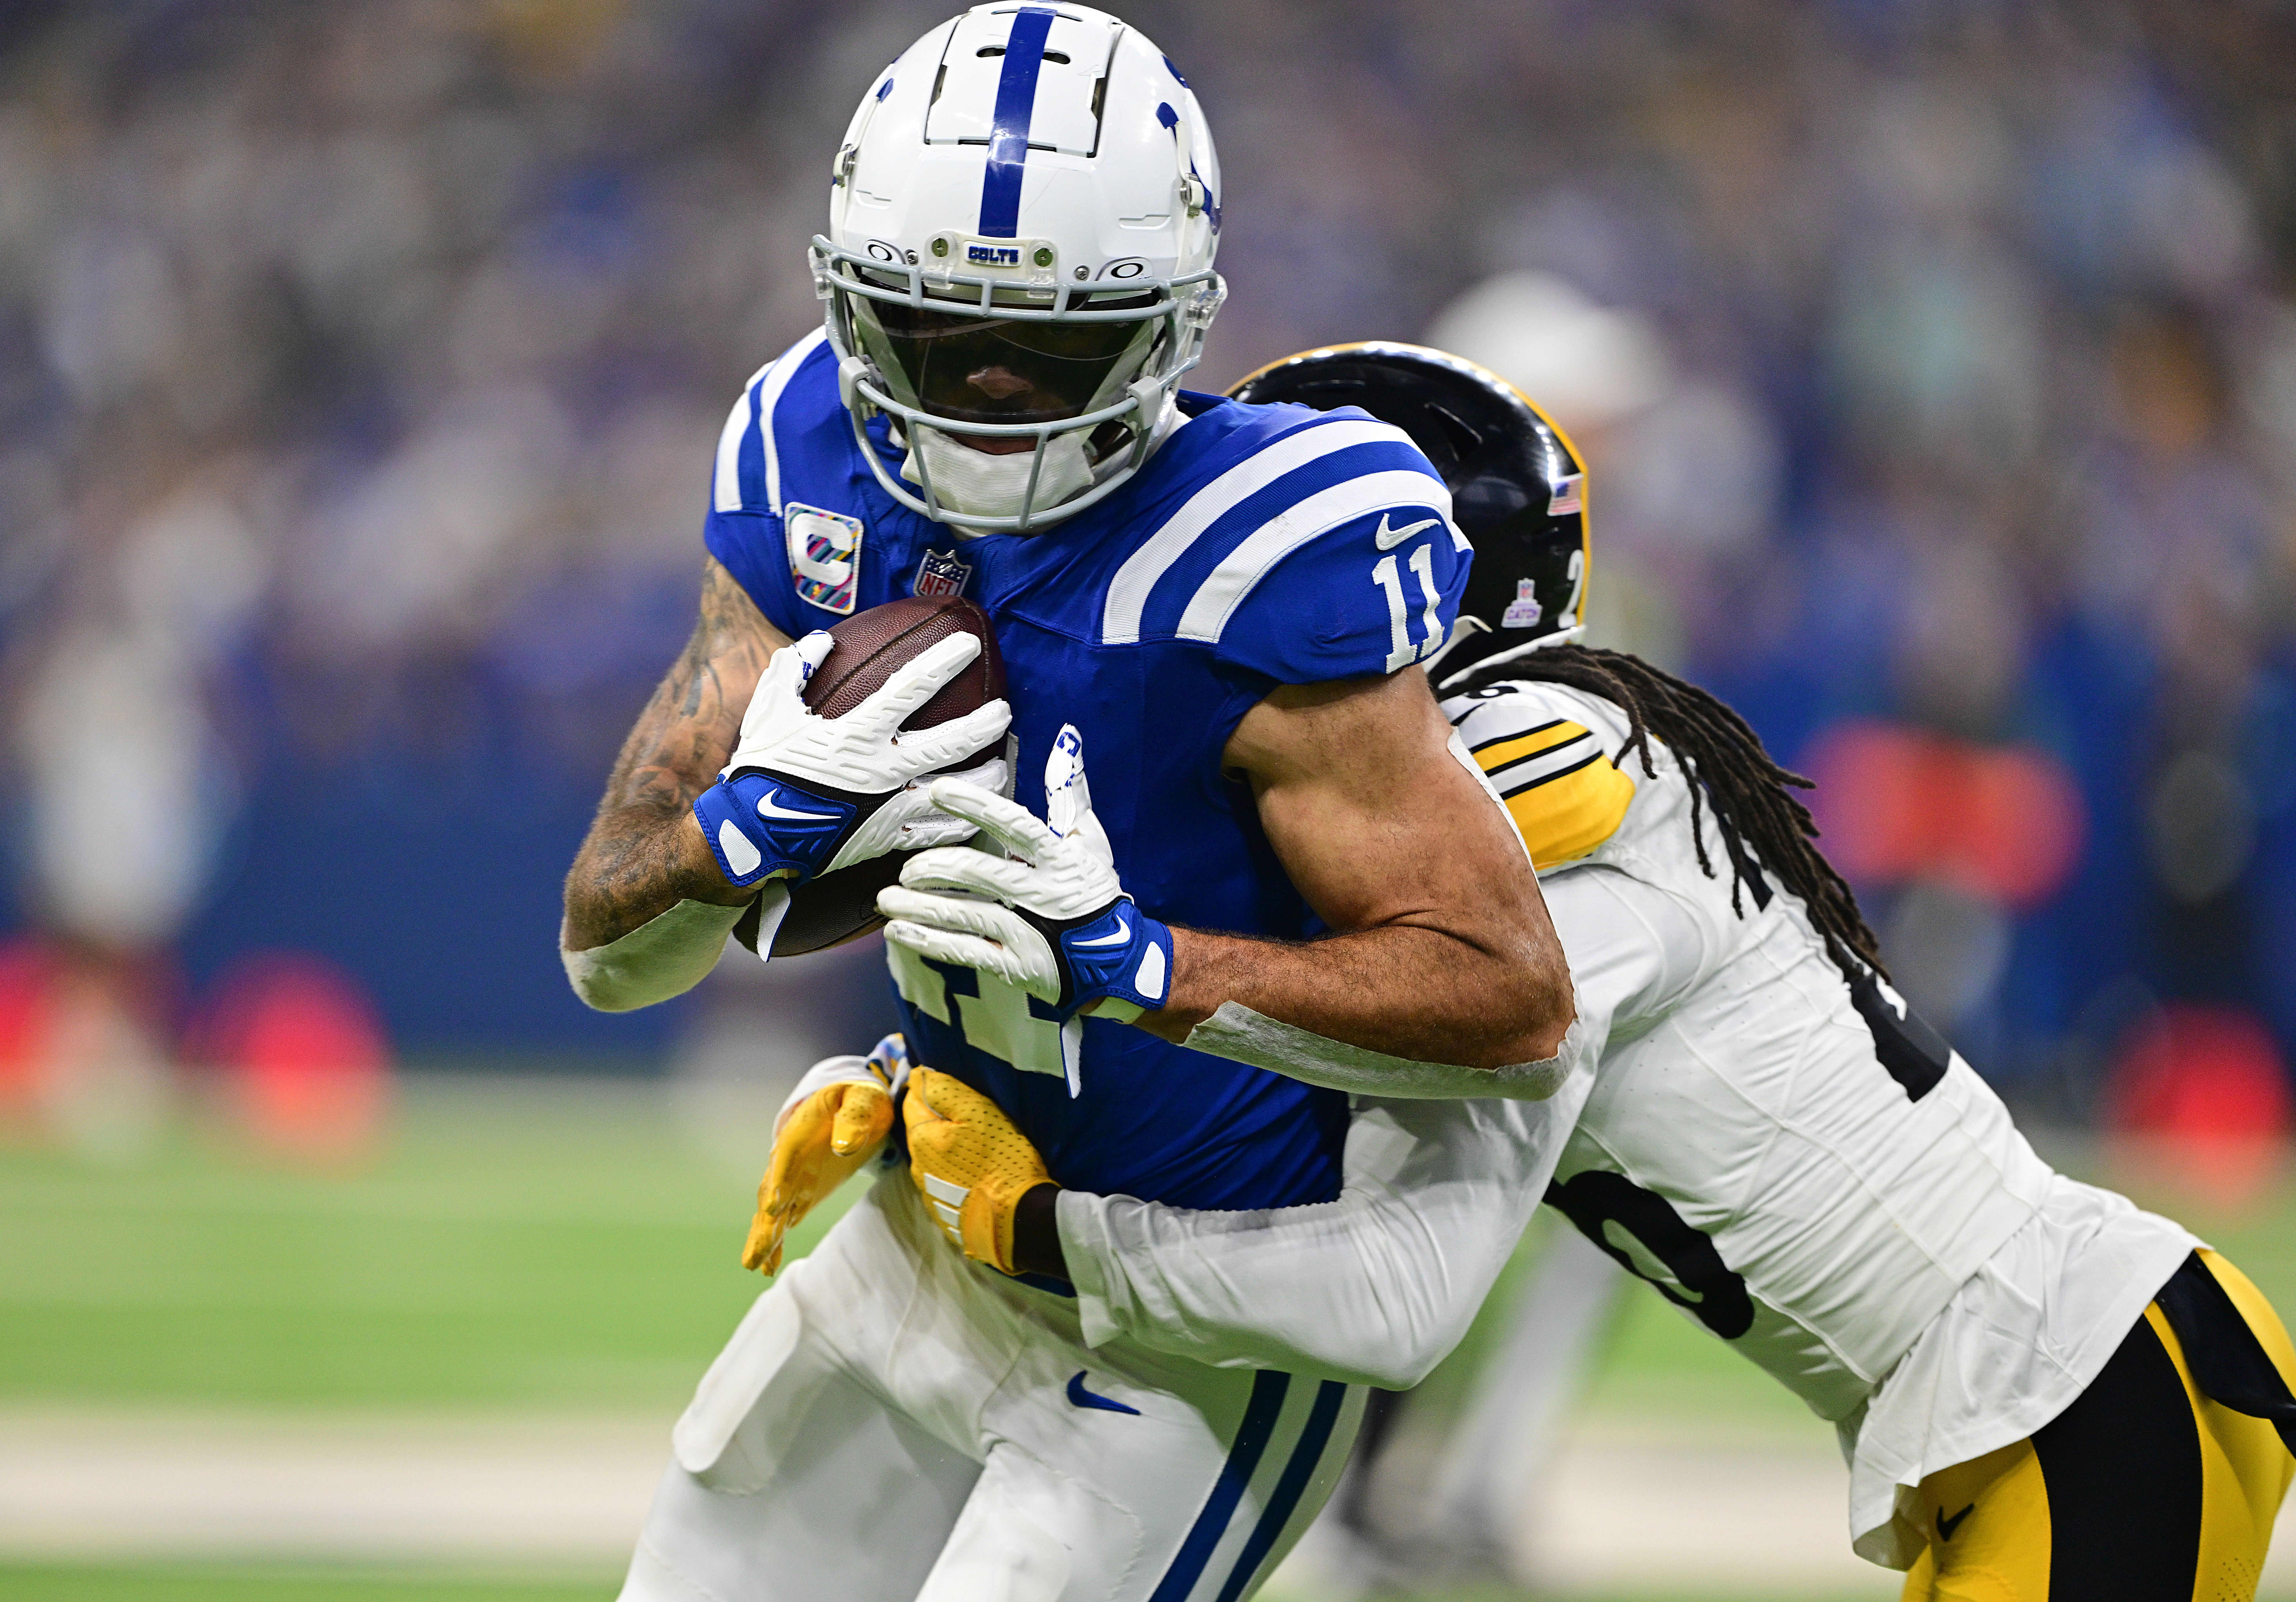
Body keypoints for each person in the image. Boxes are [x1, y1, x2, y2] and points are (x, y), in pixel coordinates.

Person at [777, 343, 2296, 1601]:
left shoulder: (1541, 785)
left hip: (2074, 1397)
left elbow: (1390, 1298)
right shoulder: (1505, 798)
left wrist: (1042, 1228)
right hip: (2059, 1402)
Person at [555, 12, 1574, 1598]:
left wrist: (1149, 964)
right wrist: (752, 826)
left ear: (1173, 325)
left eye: (1053, 343)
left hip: (1198, 1317)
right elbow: (607, 950)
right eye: (933, 330)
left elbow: (1512, 1000)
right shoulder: (800, 451)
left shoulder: (1265, 538)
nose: (988, 392)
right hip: (926, 1236)